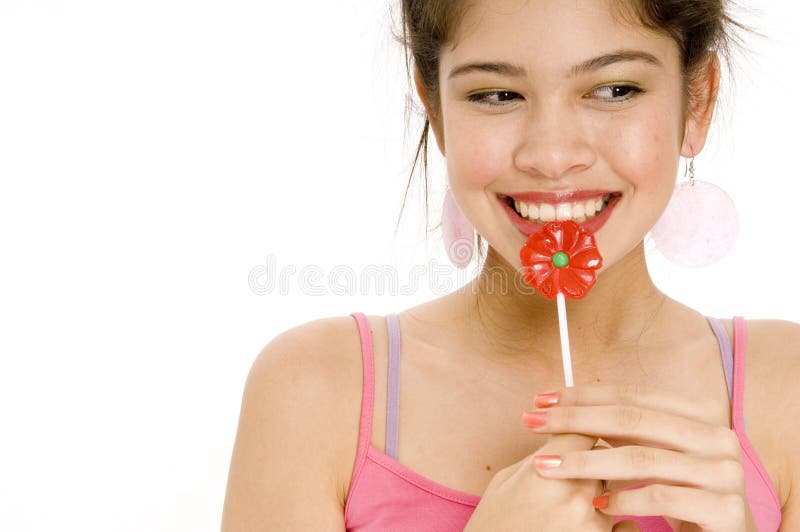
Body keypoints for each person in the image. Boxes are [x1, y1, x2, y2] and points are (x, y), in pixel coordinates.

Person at [221, 1, 800, 530]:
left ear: (696, 100)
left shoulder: (788, 387)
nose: (551, 157)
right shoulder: (315, 391)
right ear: (433, 105)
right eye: (497, 95)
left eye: (616, 89)